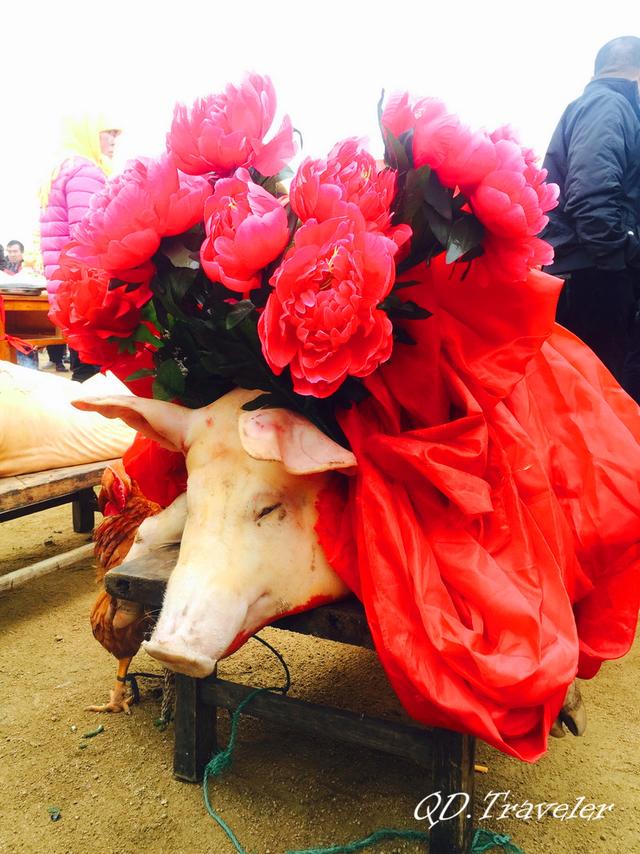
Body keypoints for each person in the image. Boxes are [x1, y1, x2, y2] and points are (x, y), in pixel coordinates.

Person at [541, 35, 640, 402]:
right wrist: (624, 259)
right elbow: (591, 197)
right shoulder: (609, 105)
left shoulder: (607, 106)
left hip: (592, 269)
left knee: (595, 399)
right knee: (595, 400)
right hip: (593, 276)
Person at [39, 114, 121, 378]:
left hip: (68, 292)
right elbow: (88, 237)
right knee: (95, 375)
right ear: (88, 134)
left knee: (84, 367)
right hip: (87, 292)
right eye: (108, 132)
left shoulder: (59, 171)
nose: (114, 140)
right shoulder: (84, 172)